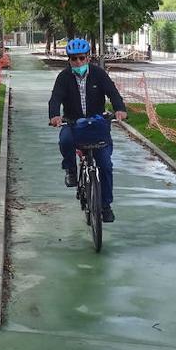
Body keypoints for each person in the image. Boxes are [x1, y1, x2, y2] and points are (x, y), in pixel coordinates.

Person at [48, 38, 128, 223]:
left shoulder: (99, 74)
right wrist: (54, 115)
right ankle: (71, 170)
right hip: (74, 122)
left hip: (97, 123)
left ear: (88, 58)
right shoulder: (64, 77)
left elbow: (113, 93)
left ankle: (106, 206)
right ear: (69, 60)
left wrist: (120, 109)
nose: (78, 62)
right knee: (65, 141)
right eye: (73, 59)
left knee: (105, 165)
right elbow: (55, 98)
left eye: (81, 58)